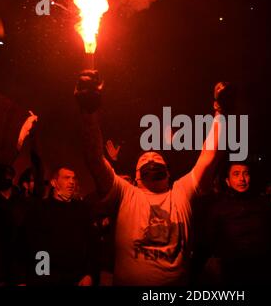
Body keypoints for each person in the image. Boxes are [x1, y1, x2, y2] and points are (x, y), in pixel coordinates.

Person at [74, 71, 230, 285]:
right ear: (136, 178)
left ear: (168, 172)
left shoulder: (181, 191)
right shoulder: (125, 193)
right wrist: (88, 112)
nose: (150, 157)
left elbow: (209, 155)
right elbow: (94, 158)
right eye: (144, 160)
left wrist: (221, 112)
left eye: (156, 157)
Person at [200, 162, 271, 285]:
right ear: (228, 181)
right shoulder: (218, 208)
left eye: (246, 174)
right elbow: (208, 240)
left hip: (265, 271)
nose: (242, 179)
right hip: (232, 273)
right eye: (236, 174)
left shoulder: (265, 204)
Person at [14, 166, 97, 286]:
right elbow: (24, 244)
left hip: (76, 278)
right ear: (54, 182)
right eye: (66, 178)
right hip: (45, 277)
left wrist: (90, 274)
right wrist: (22, 279)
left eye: (73, 178)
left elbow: (92, 245)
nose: (71, 182)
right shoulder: (39, 209)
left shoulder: (83, 210)